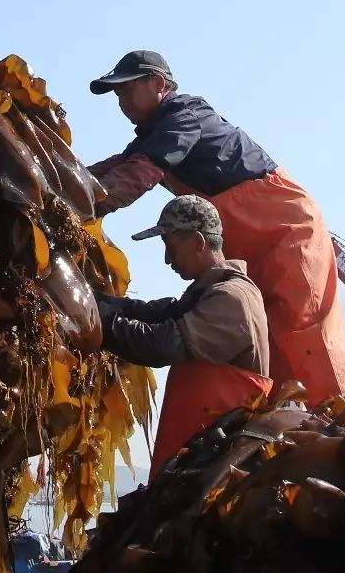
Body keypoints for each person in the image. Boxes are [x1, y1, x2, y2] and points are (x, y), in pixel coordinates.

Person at [87, 50, 345, 403]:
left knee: (302, 331)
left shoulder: (184, 114)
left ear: (159, 83)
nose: (121, 101)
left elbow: (142, 170)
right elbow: (120, 165)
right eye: (116, 95)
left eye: (127, 89)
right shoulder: (153, 136)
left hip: (287, 229)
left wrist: (80, 207)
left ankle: (338, 426)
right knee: (260, 339)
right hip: (246, 238)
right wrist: (60, 180)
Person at [96, 195, 273, 477]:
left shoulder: (232, 298)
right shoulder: (208, 292)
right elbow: (153, 313)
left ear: (198, 242)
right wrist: (90, 299)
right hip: (197, 456)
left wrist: (92, 322)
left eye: (170, 246)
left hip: (220, 466)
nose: (167, 259)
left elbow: (161, 344)